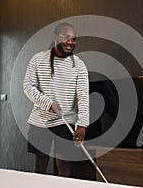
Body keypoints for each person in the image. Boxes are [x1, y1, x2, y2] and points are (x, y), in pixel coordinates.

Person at [23, 22, 89, 177]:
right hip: (40, 121)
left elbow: (83, 96)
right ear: (55, 36)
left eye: (73, 39)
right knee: (40, 166)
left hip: (65, 122)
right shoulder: (38, 59)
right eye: (66, 37)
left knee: (63, 165)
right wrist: (49, 103)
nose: (70, 42)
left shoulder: (79, 65)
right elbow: (28, 86)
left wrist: (82, 124)